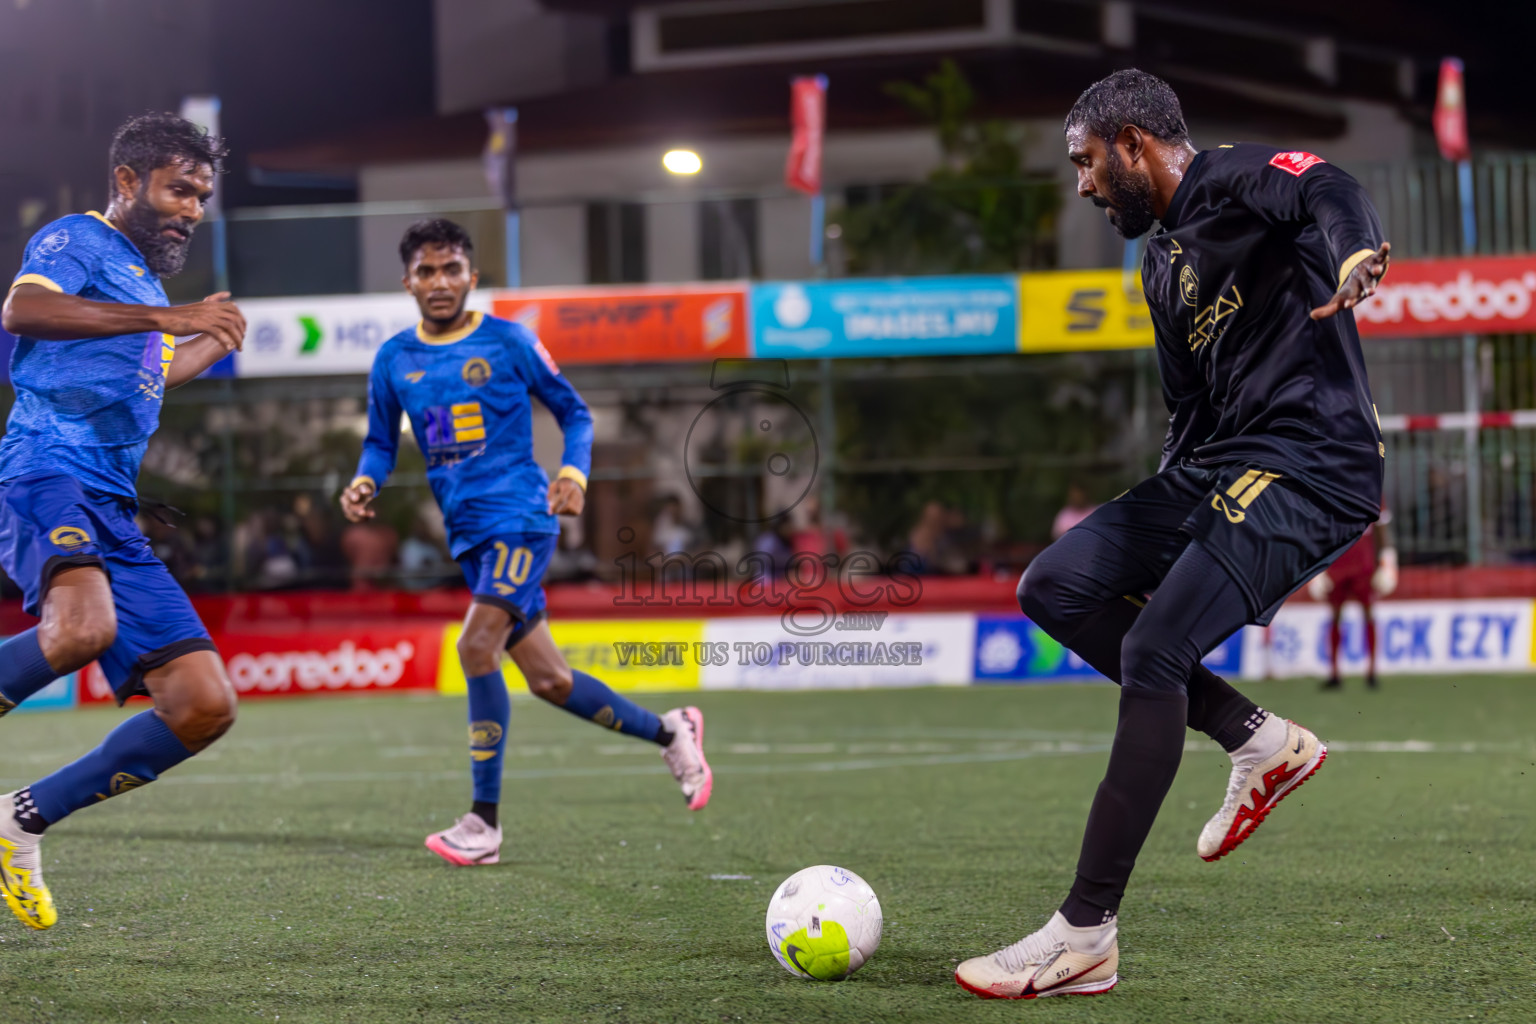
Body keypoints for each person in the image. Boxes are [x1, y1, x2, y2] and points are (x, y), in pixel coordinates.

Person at [954, 70, 1390, 999]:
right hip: (1220, 464)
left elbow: (1328, 186)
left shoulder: (1235, 180)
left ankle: (1083, 934)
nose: (1081, 185)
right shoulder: (1158, 264)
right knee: (1056, 584)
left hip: (1314, 461)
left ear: (1131, 143)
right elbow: (1188, 416)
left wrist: (1355, 252)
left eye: (1084, 162)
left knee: (1154, 648)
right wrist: (1158, 535)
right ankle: (1257, 740)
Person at [339, 220, 711, 867]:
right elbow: (378, 439)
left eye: (452, 268)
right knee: (550, 681)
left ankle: (483, 825)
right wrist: (365, 479)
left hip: (519, 518)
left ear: (471, 276)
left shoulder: (509, 341)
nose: (440, 281)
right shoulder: (394, 359)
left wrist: (572, 472)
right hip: (470, 537)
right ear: (408, 282)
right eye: (426, 271)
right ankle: (670, 730)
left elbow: (575, 413)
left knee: (475, 645)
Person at [0, 114, 245, 930]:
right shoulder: (78, 239)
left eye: (202, 195)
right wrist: (168, 321)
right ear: (130, 181)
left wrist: (202, 340)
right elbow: (25, 311)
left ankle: (18, 820)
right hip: (45, 471)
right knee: (82, 629)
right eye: (179, 189)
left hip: (113, 504)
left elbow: (142, 380)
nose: (192, 208)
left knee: (204, 703)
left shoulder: (142, 282)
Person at [1309, 509, 1397, 688]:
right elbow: (1320, 528)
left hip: (1363, 565)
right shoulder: (1330, 488)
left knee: (1368, 613)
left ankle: (1372, 672)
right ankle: (1335, 673)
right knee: (1335, 615)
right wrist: (1317, 566)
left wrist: (1387, 560)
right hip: (1337, 564)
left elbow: (1381, 526)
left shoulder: (1373, 489)